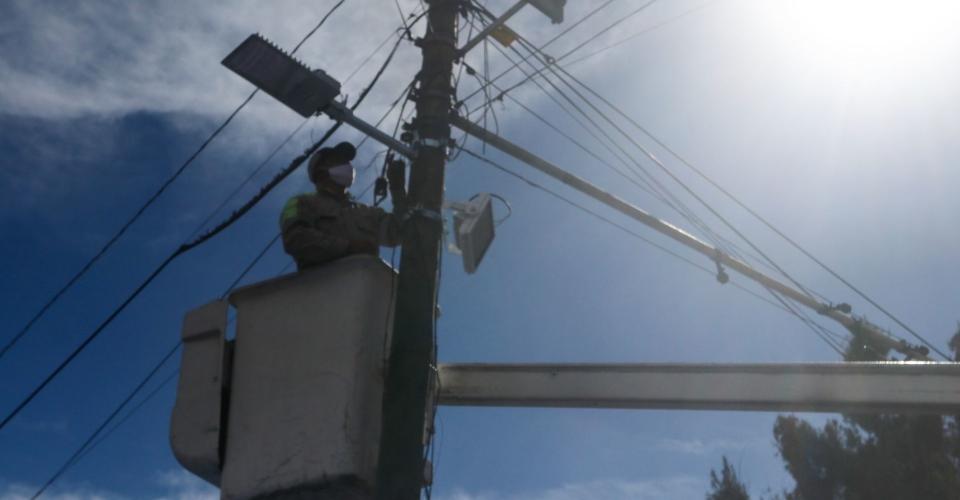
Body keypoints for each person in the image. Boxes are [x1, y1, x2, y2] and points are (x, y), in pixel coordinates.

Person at [279, 141, 407, 270]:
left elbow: (400, 231)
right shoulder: (301, 202)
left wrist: (397, 188)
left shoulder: (367, 212)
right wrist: (348, 247)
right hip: (325, 280)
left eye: (346, 162)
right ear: (320, 172)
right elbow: (295, 239)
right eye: (338, 161)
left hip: (366, 280)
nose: (347, 166)